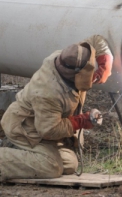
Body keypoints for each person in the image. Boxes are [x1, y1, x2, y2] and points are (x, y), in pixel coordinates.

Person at [0, 35, 113, 182]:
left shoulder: (71, 55)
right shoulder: (48, 92)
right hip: (26, 129)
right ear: (77, 74)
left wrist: (105, 61)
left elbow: (97, 40)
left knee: (70, 164)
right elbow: (48, 130)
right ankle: (14, 146)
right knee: (51, 167)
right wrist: (80, 122)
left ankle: (18, 151)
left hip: (44, 123)